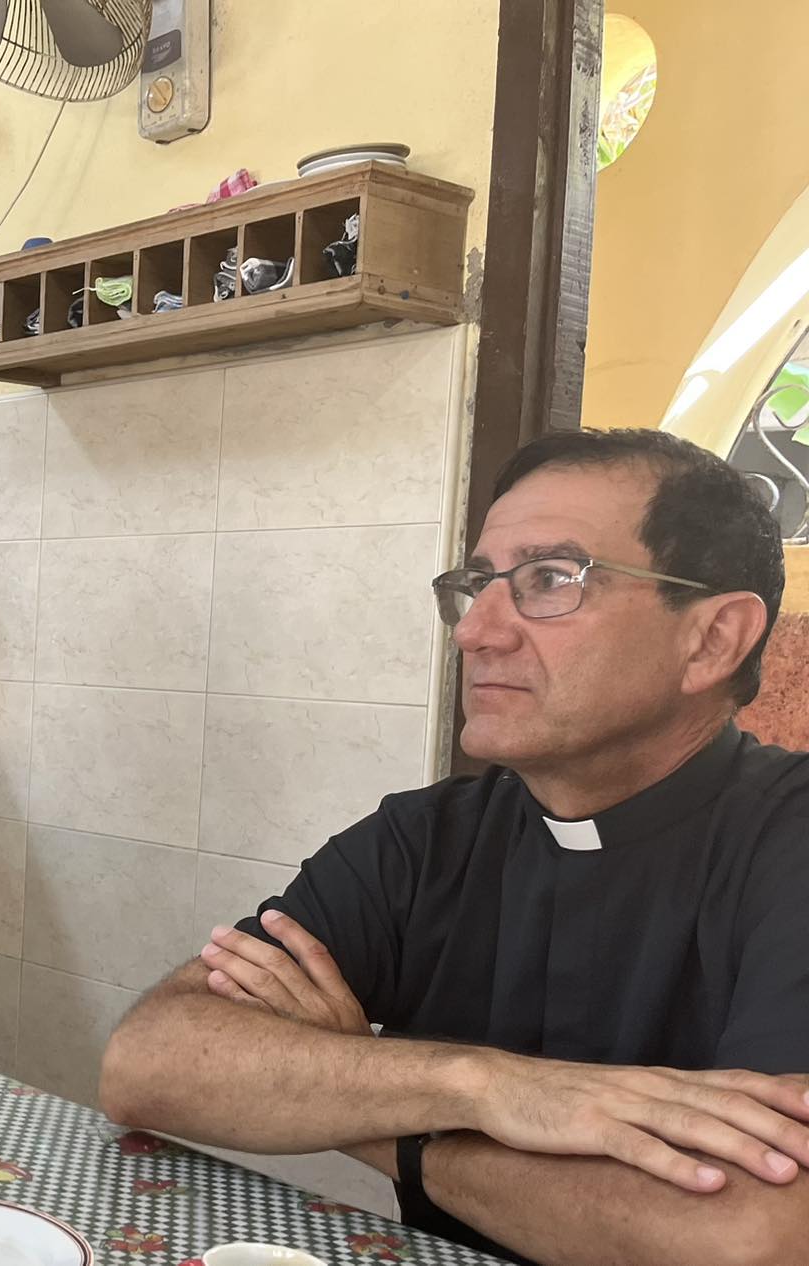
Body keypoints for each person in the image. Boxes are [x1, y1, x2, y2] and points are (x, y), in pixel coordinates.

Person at [100, 429, 809, 1266]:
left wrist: (382, 1112)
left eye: (551, 580)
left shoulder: (788, 843)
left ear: (713, 639)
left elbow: (752, 1239)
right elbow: (146, 1063)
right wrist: (481, 1085)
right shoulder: (424, 840)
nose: (476, 630)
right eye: (476, 585)